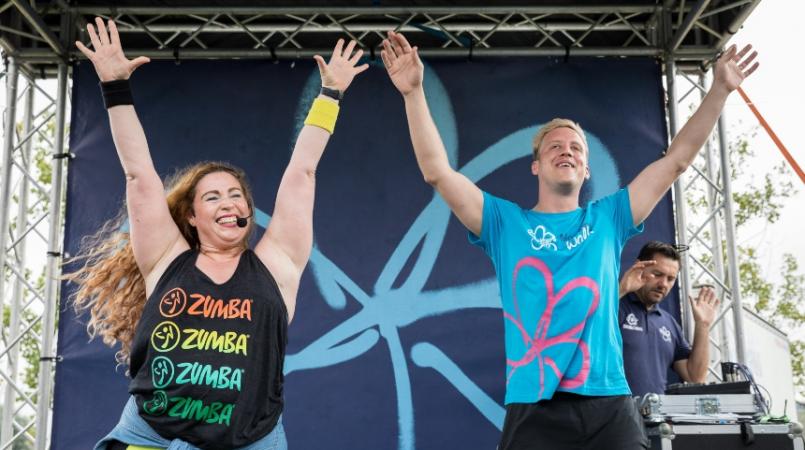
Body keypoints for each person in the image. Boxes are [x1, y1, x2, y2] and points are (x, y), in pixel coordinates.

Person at [380, 29, 757, 450]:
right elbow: (438, 172)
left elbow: (676, 161)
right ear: (536, 166)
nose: (567, 151)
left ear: (587, 169)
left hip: (609, 405)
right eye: (555, 146)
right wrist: (413, 93)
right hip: (535, 408)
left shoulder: (609, 217)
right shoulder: (504, 223)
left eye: (577, 148)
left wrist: (720, 90)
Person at [69, 17, 368, 450]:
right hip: (151, 435)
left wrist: (331, 94)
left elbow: (302, 172)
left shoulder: (277, 264)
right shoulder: (166, 259)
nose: (228, 203)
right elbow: (139, 176)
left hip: (250, 439)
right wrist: (115, 87)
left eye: (236, 195)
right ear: (190, 217)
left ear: (248, 210)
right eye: (212, 198)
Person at [618, 241, 720, 397]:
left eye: (671, 278)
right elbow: (582, 326)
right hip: (613, 415)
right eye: (657, 274)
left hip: (656, 418)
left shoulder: (669, 323)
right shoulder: (613, 305)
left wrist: (703, 325)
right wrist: (621, 290)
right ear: (639, 267)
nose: (663, 284)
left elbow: (695, 377)